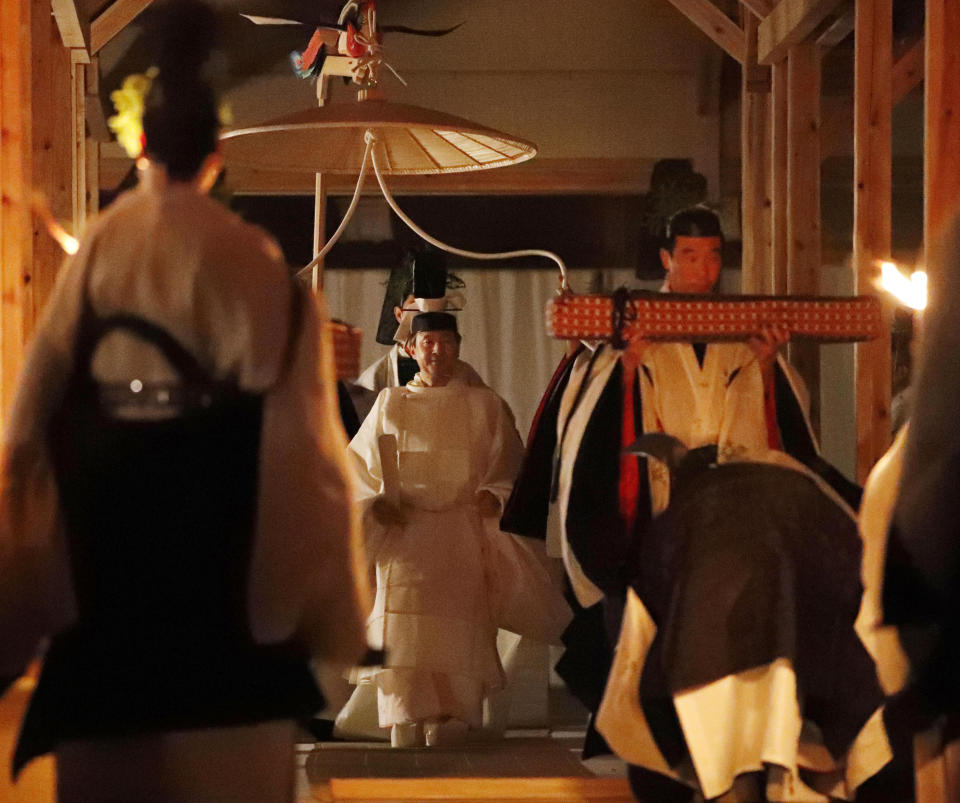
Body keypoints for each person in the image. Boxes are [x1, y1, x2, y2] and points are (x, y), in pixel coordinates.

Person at [0, 3, 370, 799]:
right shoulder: (258, 264)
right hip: (226, 610)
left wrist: (21, 605)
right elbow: (303, 456)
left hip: (107, 603)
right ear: (216, 157)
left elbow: (27, 436)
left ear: (139, 147)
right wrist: (330, 617)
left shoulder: (99, 252)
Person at [345, 311, 570, 747]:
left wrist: (495, 492)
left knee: (460, 624)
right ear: (411, 349)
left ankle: (453, 717)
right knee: (403, 633)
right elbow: (358, 469)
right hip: (406, 536)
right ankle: (404, 719)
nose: (437, 351)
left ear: (459, 346)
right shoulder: (389, 402)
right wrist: (376, 506)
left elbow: (509, 463)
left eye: (446, 342)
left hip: (461, 533)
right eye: (428, 342)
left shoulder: (484, 404)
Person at [351, 249, 484, 422]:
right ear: (399, 315)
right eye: (417, 304)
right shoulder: (376, 378)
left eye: (434, 305)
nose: (426, 313)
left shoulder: (465, 375)